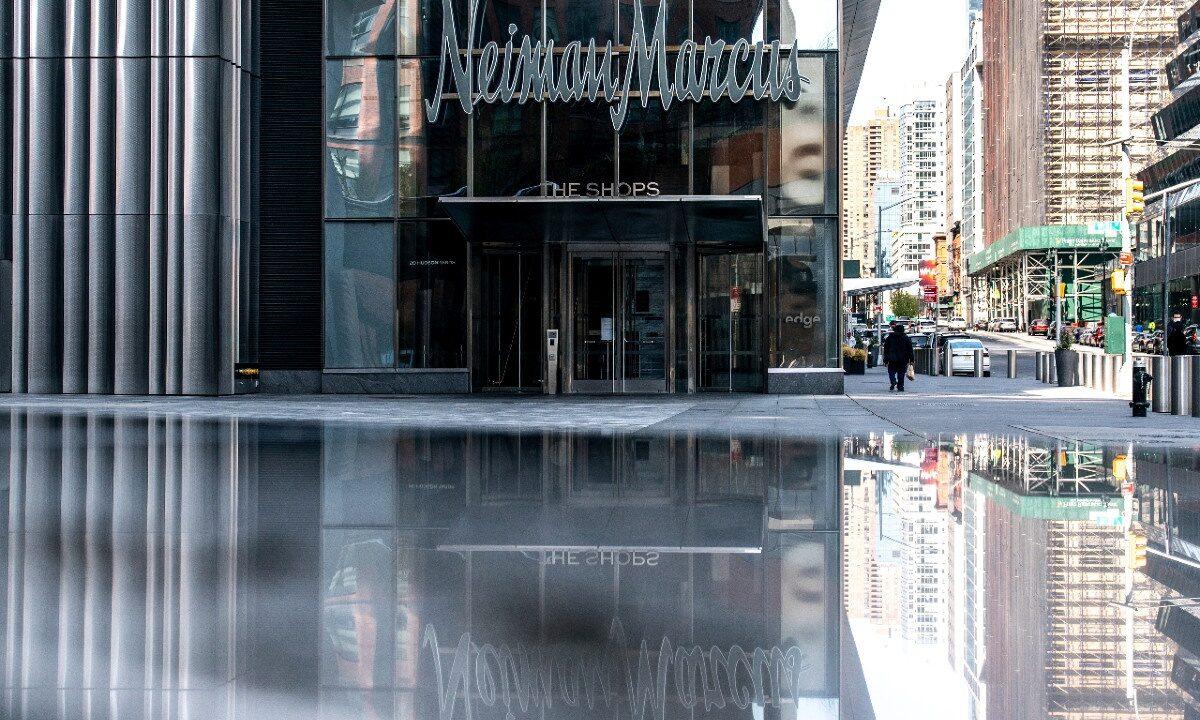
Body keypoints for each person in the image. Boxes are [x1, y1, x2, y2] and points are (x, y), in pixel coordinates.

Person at [882, 322, 915, 392]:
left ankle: (893, 380)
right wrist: (911, 359)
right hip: (903, 359)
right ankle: (900, 386)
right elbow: (910, 349)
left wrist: (885, 359)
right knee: (901, 373)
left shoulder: (890, 337)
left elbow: (886, 349)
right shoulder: (906, 338)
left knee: (891, 371)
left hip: (892, 358)